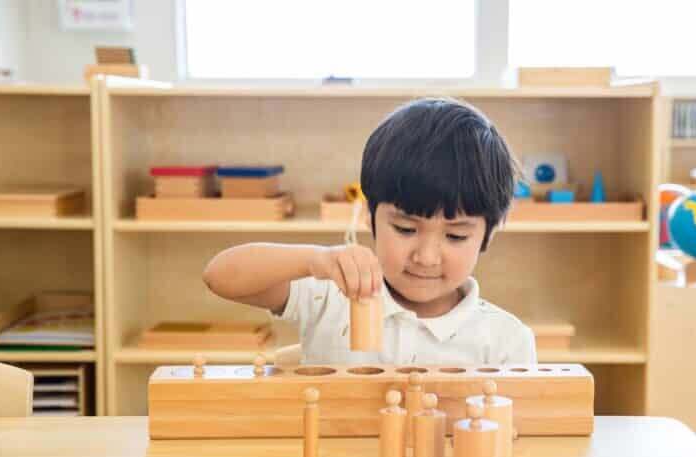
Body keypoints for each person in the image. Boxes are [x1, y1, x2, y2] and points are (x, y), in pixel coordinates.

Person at [203, 97, 536, 365]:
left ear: (488, 235)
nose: (426, 256)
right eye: (406, 228)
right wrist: (315, 261)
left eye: (456, 236)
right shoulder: (330, 295)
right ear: (369, 216)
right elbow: (219, 276)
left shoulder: (507, 341)